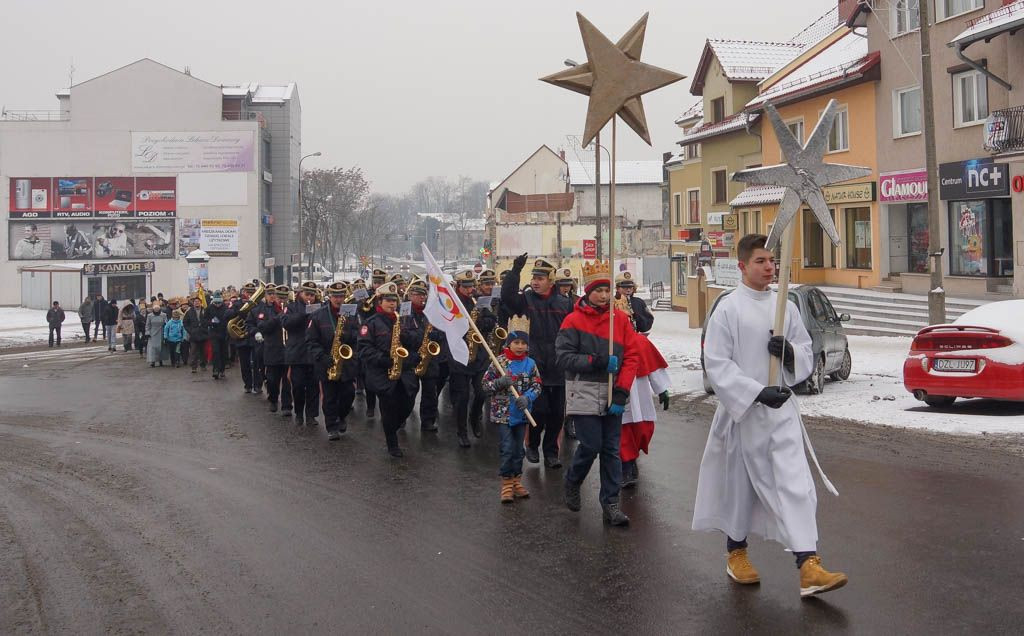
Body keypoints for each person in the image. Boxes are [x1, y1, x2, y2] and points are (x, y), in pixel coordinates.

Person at [692, 233, 847, 598]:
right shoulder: (728, 308)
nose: (769, 267)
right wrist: (754, 391)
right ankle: (737, 553)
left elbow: (807, 352)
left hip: (781, 414)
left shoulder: (786, 307)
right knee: (740, 488)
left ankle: (808, 565)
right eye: (760, 261)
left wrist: (791, 355)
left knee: (795, 485)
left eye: (772, 261)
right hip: (742, 415)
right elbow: (716, 363)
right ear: (743, 266)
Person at [556, 260, 641, 527]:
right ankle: (573, 480)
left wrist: (622, 392)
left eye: (607, 290)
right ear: (588, 291)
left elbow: (632, 357)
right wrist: (596, 362)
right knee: (591, 445)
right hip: (583, 390)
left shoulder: (621, 321)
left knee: (611, 450)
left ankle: (611, 503)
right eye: (598, 290)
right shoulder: (573, 320)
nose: (604, 295)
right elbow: (563, 358)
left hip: (613, 392)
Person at [501, 255, 573, 468]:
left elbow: (571, 331)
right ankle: (532, 444)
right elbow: (506, 295)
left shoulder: (564, 303)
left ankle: (551, 452)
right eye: (534, 277)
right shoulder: (525, 300)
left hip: (558, 366)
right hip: (534, 367)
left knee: (557, 414)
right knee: (538, 410)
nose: (535, 281)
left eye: (541, 278)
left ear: (551, 280)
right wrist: (515, 270)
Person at [356, 282, 420, 457]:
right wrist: (384, 360)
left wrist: (407, 337)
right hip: (382, 373)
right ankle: (392, 443)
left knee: (408, 404)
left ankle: (393, 425)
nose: (392, 304)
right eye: (388, 300)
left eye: (394, 300)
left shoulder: (404, 319)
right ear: (379, 301)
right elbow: (364, 349)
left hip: (404, 371)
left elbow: (417, 339)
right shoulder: (370, 323)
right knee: (388, 408)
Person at [482, 322, 541, 504]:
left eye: (524, 343)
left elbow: (537, 385)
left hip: (522, 413)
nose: (520, 346)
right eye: (516, 342)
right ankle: (506, 482)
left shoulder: (530, 364)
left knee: (518, 449)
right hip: (504, 414)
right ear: (509, 344)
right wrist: (499, 382)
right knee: (507, 448)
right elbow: (485, 386)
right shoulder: (498, 362)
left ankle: (517, 480)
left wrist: (529, 397)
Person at [447, 270, 496, 448]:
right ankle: (461, 431)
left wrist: (483, 323)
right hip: (459, 354)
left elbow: (492, 320)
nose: (470, 290)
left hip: (479, 355)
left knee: (482, 391)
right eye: (466, 287)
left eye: (471, 287)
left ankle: (474, 417)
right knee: (462, 396)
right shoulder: (451, 302)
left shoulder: (480, 301)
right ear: (459, 287)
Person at [307, 281, 360, 440]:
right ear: (329, 296)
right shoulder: (318, 315)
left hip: (346, 362)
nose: (339, 299)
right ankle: (332, 427)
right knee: (329, 396)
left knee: (348, 394)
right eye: (335, 296)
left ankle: (342, 416)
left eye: (341, 296)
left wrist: (347, 337)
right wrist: (322, 357)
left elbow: (358, 336)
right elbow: (311, 341)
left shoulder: (351, 313)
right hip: (326, 361)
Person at [619, 335, 671, 489]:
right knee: (622, 433)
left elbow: (651, 365)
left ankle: (631, 458)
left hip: (640, 395)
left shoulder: (640, 341)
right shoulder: (606, 338)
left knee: (641, 429)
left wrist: (662, 389)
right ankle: (626, 467)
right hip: (619, 391)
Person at [405, 279, 444, 433]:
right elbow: (403, 335)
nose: (422, 298)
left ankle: (428, 421)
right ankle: (402, 416)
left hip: (429, 358)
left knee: (430, 392)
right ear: (410, 295)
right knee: (409, 392)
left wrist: (436, 336)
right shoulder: (404, 311)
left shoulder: (431, 312)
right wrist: (423, 336)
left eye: (423, 295)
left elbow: (442, 332)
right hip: (411, 357)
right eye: (418, 294)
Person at [283, 281, 321, 426]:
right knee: (298, 385)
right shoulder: (291, 307)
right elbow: (286, 323)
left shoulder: (320, 308)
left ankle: (311, 415)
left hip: (314, 353)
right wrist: (304, 313)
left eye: (312, 295)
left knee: (313, 386)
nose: (310, 298)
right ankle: (299, 412)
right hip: (297, 353)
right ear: (300, 294)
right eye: (307, 294)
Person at [257, 285, 293, 415]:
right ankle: (273, 399)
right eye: (279, 298)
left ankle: (287, 406)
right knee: (272, 380)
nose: (282, 300)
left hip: (288, 350)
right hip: (272, 349)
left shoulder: (291, 309)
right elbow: (262, 326)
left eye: (284, 297)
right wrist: (278, 318)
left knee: (287, 380)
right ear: (275, 298)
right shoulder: (265, 310)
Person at [226, 282, 260, 393]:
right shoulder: (236, 303)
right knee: (244, 364)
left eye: (251, 292)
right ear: (243, 292)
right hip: (242, 338)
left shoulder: (258, 303)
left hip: (254, 337)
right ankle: (248, 385)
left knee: (257, 363)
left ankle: (257, 385)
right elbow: (227, 314)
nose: (249, 294)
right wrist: (241, 309)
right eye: (247, 292)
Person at [206, 291, 229, 380]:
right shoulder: (209, 308)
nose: (217, 304)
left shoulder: (225, 308)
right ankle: (215, 370)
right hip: (214, 333)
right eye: (216, 303)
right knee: (216, 352)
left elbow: (229, 319)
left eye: (219, 303)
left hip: (224, 333)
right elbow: (205, 320)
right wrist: (211, 322)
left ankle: (222, 369)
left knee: (223, 352)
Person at [183, 296, 209, 373]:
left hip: (203, 334)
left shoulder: (205, 311)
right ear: (193, 303)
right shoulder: (189, 312)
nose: (196, 303)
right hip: (194, 335)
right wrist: (190, 330)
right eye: (195, 302)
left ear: (201, 303)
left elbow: (208, 320)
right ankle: (193, 367)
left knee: (203, 351)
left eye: (198, 301)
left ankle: (203, 365)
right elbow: (185, 323)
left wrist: (205, 329)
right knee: (193, 351)